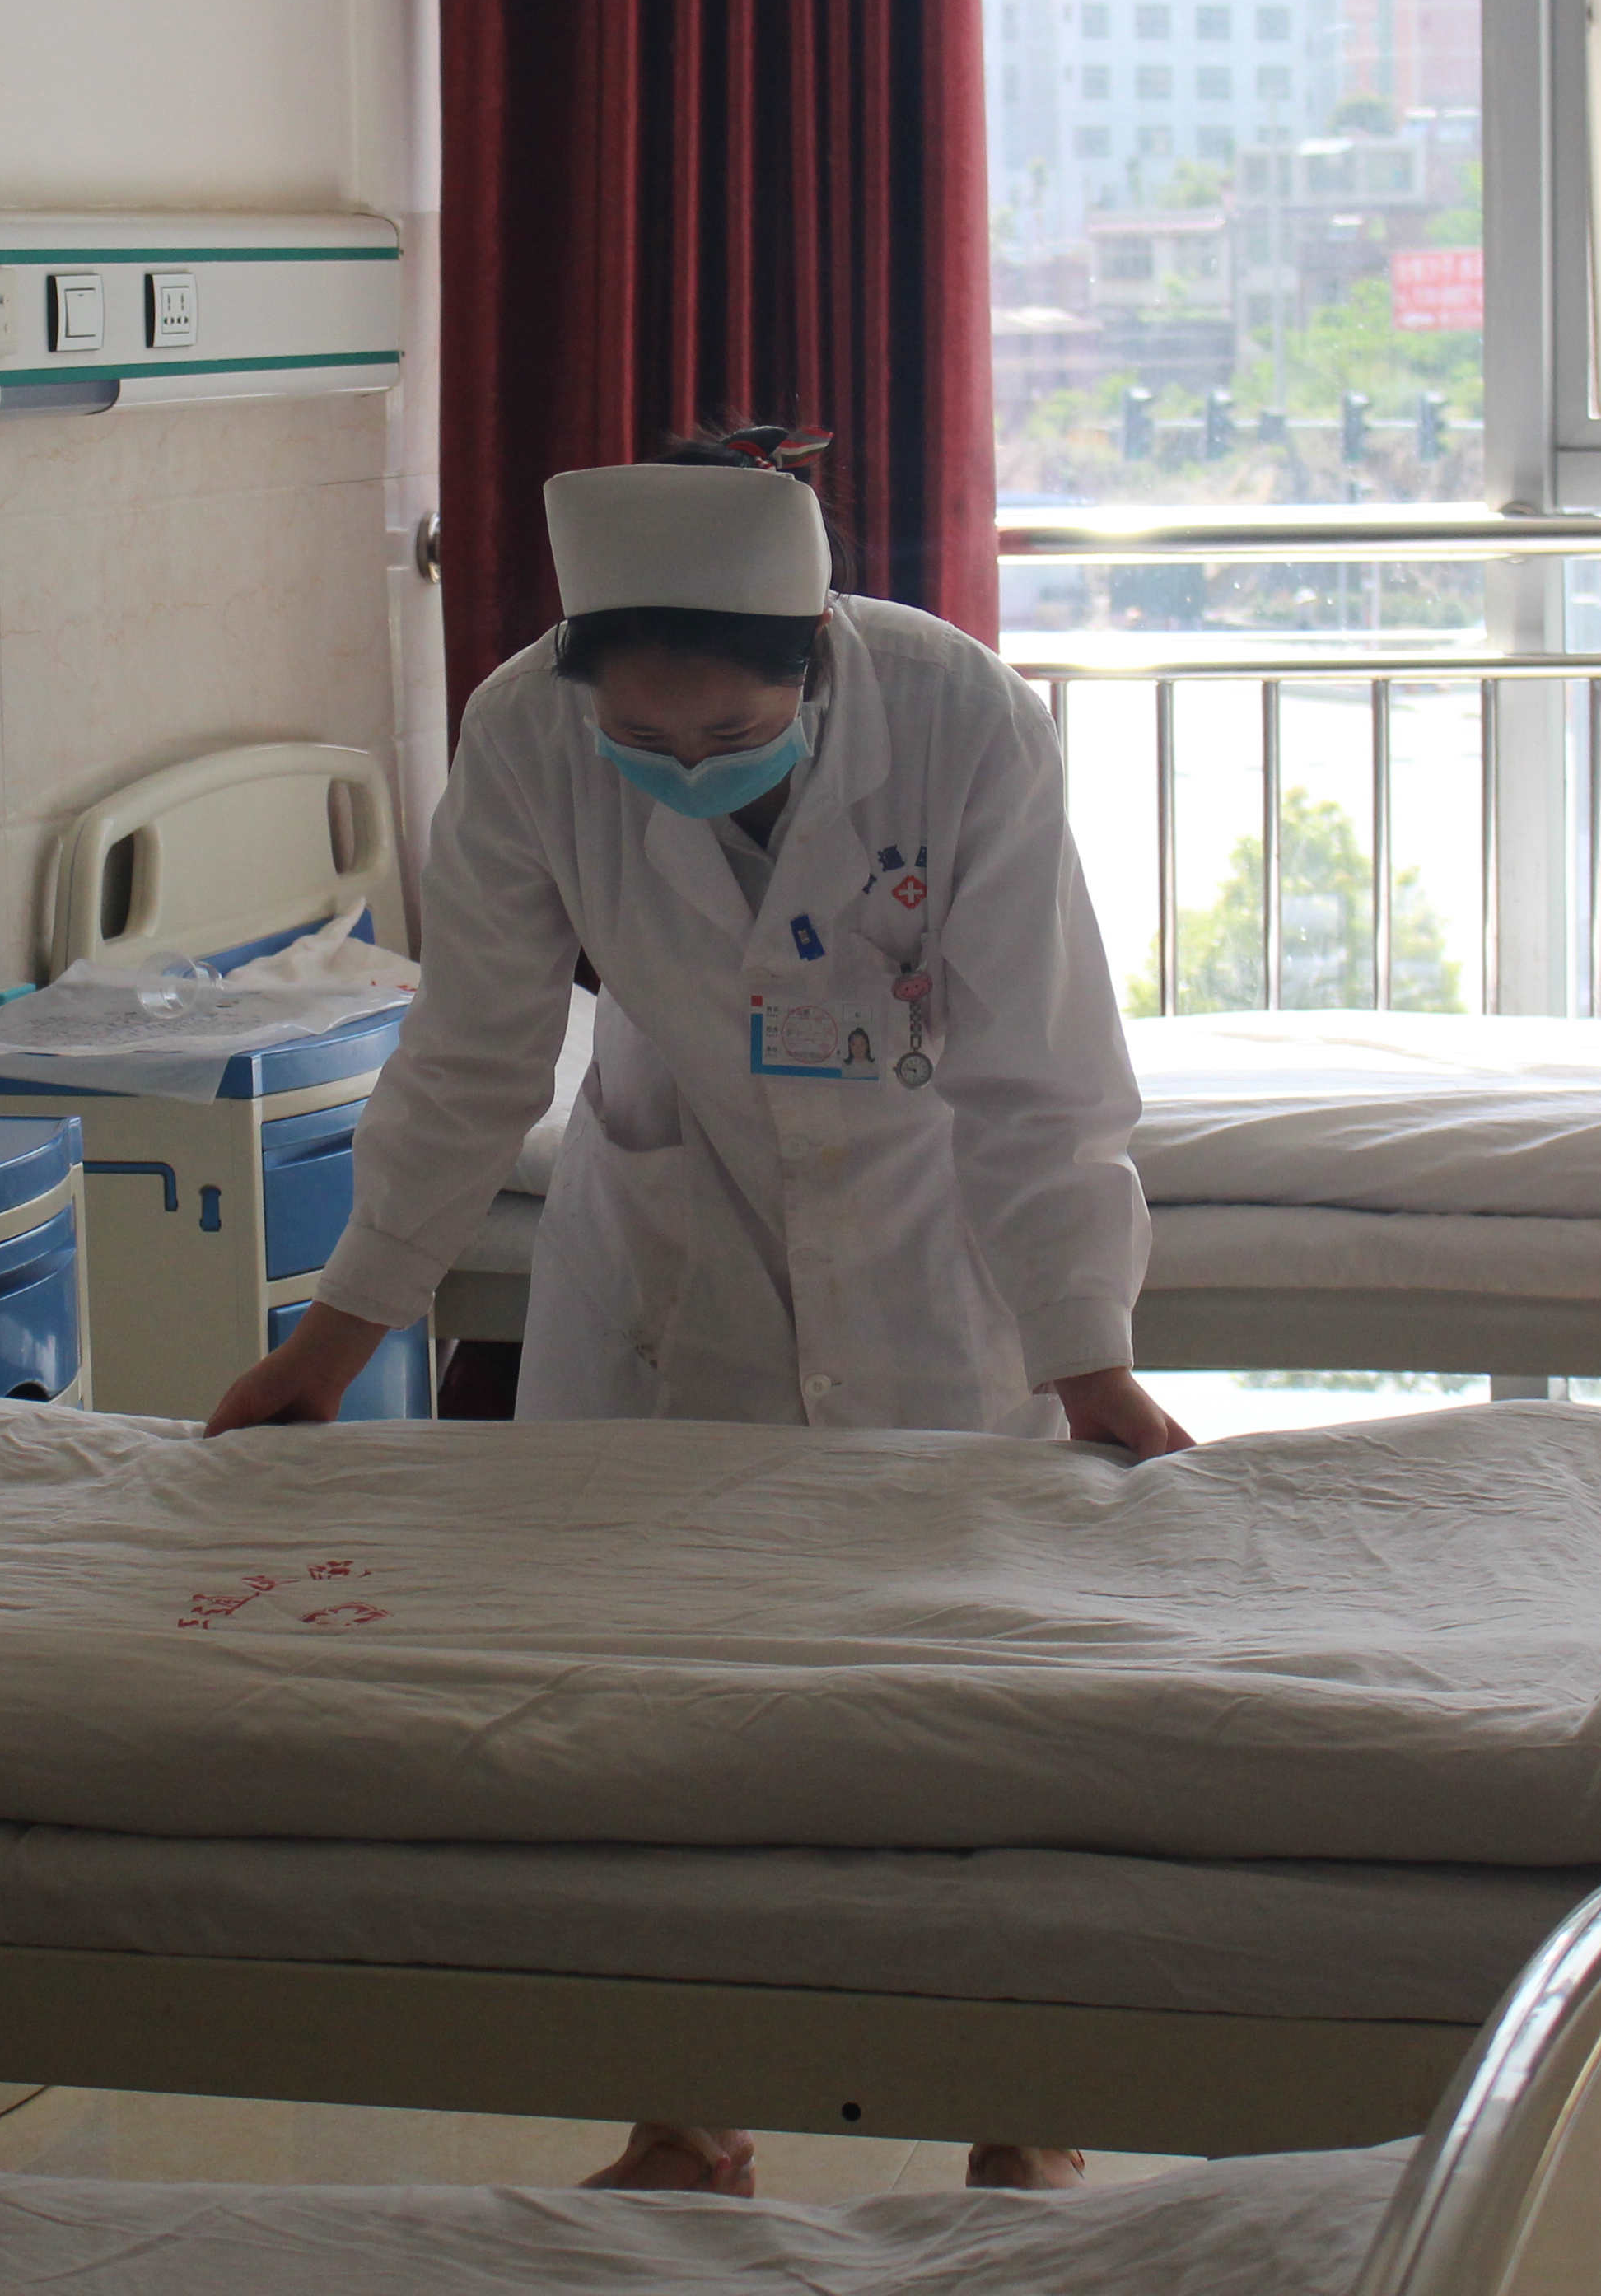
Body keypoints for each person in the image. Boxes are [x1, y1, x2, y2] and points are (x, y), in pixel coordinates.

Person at [202, 427, 1184, 2199]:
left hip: (926, 1234)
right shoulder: (525, 734)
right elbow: (473, 1055)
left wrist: (1087, 1356)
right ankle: (683, 2115)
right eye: (643, 742)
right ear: (579, 681)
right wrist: (335, 1337)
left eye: (731, 735)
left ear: (819, 656)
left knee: (969, 1695)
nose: (687, 772)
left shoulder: (955, 716)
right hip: (675, 1227)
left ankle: (1020, 2104)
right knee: (650, 1710)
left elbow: (1040, 1071)